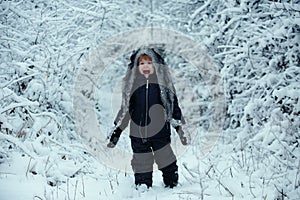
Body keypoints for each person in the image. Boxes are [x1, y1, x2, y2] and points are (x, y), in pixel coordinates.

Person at [107, 47, 188, 189]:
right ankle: (143, 188)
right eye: (142, 63)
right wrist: (116, 132)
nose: (146, 66)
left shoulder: (163, 85)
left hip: (160, 132)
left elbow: (172, 107)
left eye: (149, 63)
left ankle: (172, 184)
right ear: (136, 67)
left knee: (166, 160)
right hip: (138, 134)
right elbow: (125, 111)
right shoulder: (131, 87)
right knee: (141, 162)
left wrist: (180, 129)